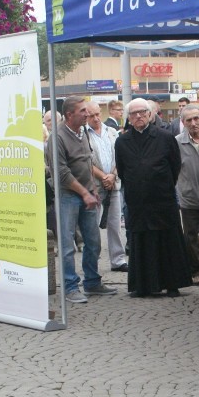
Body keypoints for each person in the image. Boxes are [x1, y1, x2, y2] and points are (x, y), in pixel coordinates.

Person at [115, 98, 191, 297]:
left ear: (150, 114)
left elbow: (175, 166)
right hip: (137, 200)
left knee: (168, 241)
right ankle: (143, 285)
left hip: (162, 198)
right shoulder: (122, 141)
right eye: (133, 113)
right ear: (129, 118)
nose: (138, 116)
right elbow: (122, 171)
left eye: (142, 112)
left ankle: (172, 284)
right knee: (141, 243)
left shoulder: (165, 138)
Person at [44, 96, 117, 304]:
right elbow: (62, 172)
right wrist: (84, 193)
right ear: (69, 115)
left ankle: (92, 281)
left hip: (88, 193)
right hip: (68, 195)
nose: (87, 114)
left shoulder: (82, 132)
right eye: (83, 111)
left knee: (93, 241)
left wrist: (93, 189)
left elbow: (87, 161)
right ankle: (70, 286)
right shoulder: (57, 137)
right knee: (67, 245)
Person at [85, 101, 127, 273]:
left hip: (113, 182)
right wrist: (103, 176)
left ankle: (118, 260)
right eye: (91, 116)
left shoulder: (111, 132)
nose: (96, 118)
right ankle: (92, 262)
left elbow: (119, 155)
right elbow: (85, 160)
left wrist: (113, 175)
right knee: (93, 225)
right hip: (94, 185)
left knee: (115, 224)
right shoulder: (83, 134)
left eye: (97, 114)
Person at [175, 105, 199, 282]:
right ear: (183, 123)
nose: (193, 123)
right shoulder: (176, 142)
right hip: (189, 196)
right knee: (190, 237)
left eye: (196, 118)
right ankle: (196, 270)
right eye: (188, 120)